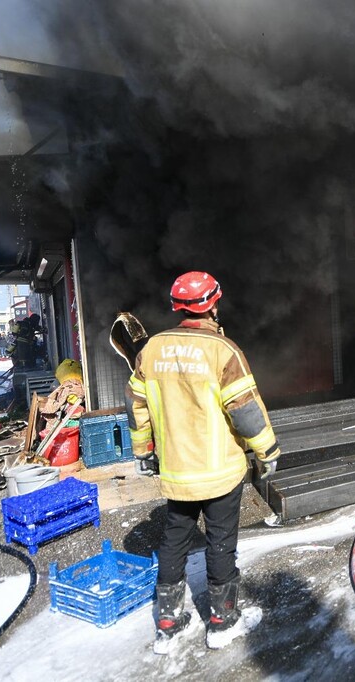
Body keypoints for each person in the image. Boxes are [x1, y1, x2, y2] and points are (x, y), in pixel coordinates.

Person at [125, 271, 281, 654]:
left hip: (177, 470)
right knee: (220, 542)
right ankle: (222, 622)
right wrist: (268, 451)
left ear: (177, 307)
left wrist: (144, 449)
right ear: (213, 303)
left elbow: (136, 407)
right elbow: (244, 412)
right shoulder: (222, 350)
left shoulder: (152, 350)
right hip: (219, 470)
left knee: (174, 539)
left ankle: (168, 623)